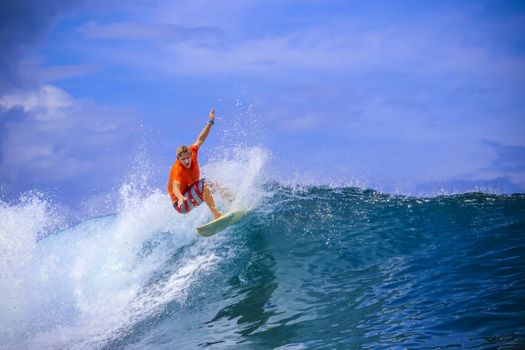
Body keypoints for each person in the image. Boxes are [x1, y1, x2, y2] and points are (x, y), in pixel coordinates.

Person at [167, 108, 222, 219]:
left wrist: (210, 122)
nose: (187, 161)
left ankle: (233, 200)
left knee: (214, 184)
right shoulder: (178, 170)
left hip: (191, 192)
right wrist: (181, 198)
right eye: (183, 159)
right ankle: (217, 215)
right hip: (181, 204)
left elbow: (200, 138)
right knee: (204, 185)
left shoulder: (192, 152)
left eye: (188, 158)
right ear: (178, 159)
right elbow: (175, 188)